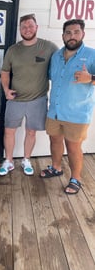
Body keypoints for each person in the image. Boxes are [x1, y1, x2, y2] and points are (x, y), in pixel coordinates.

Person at [0, 13, 58, 176]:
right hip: (15, 99)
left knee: (31, 131)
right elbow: (5, 72)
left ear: (36, 27)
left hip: (38, 99)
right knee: (9, 131)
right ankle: (9, 161)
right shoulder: (13, 50)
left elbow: (61, 63)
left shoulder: (49, 47)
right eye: (24, 27)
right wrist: (5, 90)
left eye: (30, 26)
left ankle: (26, 159)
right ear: (20, 30)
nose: (27, 29)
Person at [40, 19, 95, 194]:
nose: (72, 36)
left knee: (73, 146)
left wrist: (91, 78)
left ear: (83, 34)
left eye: (76, 32)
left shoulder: (92, 54)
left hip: (77, 113)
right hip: (55, 111)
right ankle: (56, 167)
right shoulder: (56, 56)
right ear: (63, 35)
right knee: (54, 140)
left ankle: (76, 178)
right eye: (68, 33)